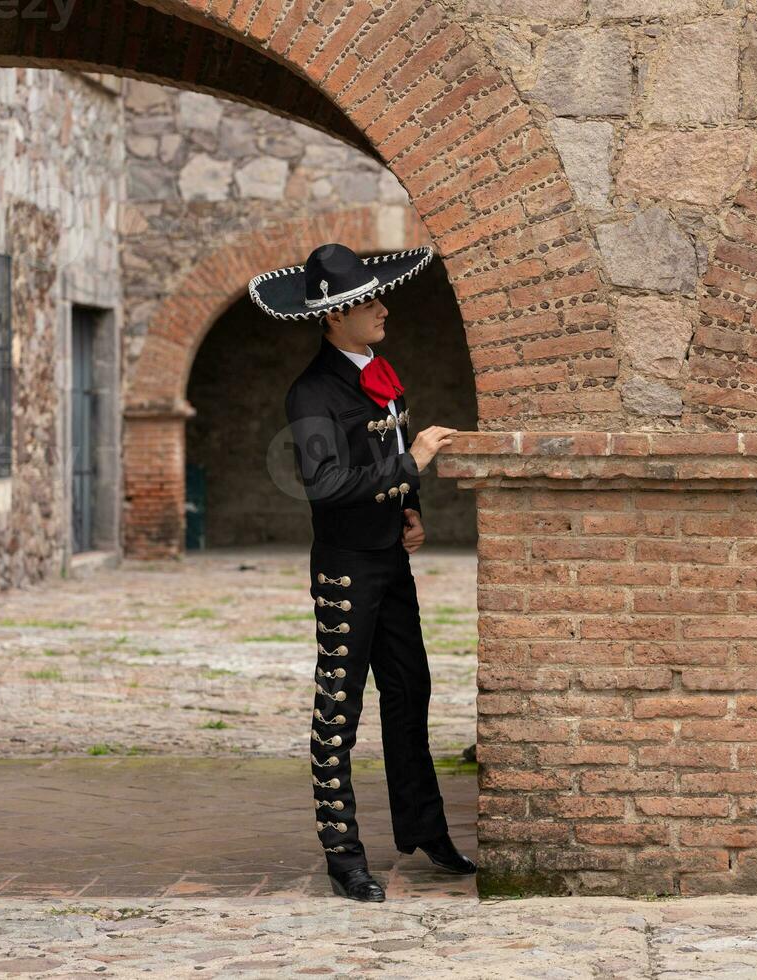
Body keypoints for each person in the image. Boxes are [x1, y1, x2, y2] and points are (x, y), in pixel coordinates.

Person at [249, 242, 473, 903]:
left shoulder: (380, 368)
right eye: (366, 302)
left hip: (390, 560)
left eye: (376, 296)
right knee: (337, 709)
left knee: (411, 691)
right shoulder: (311, 391)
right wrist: (413, 466)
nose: (382, 307)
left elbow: (391, 441)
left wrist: (413, 508)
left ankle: (425, 829)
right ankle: (343, 854)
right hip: (346, 569)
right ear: (333, 317)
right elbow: (323, 483)